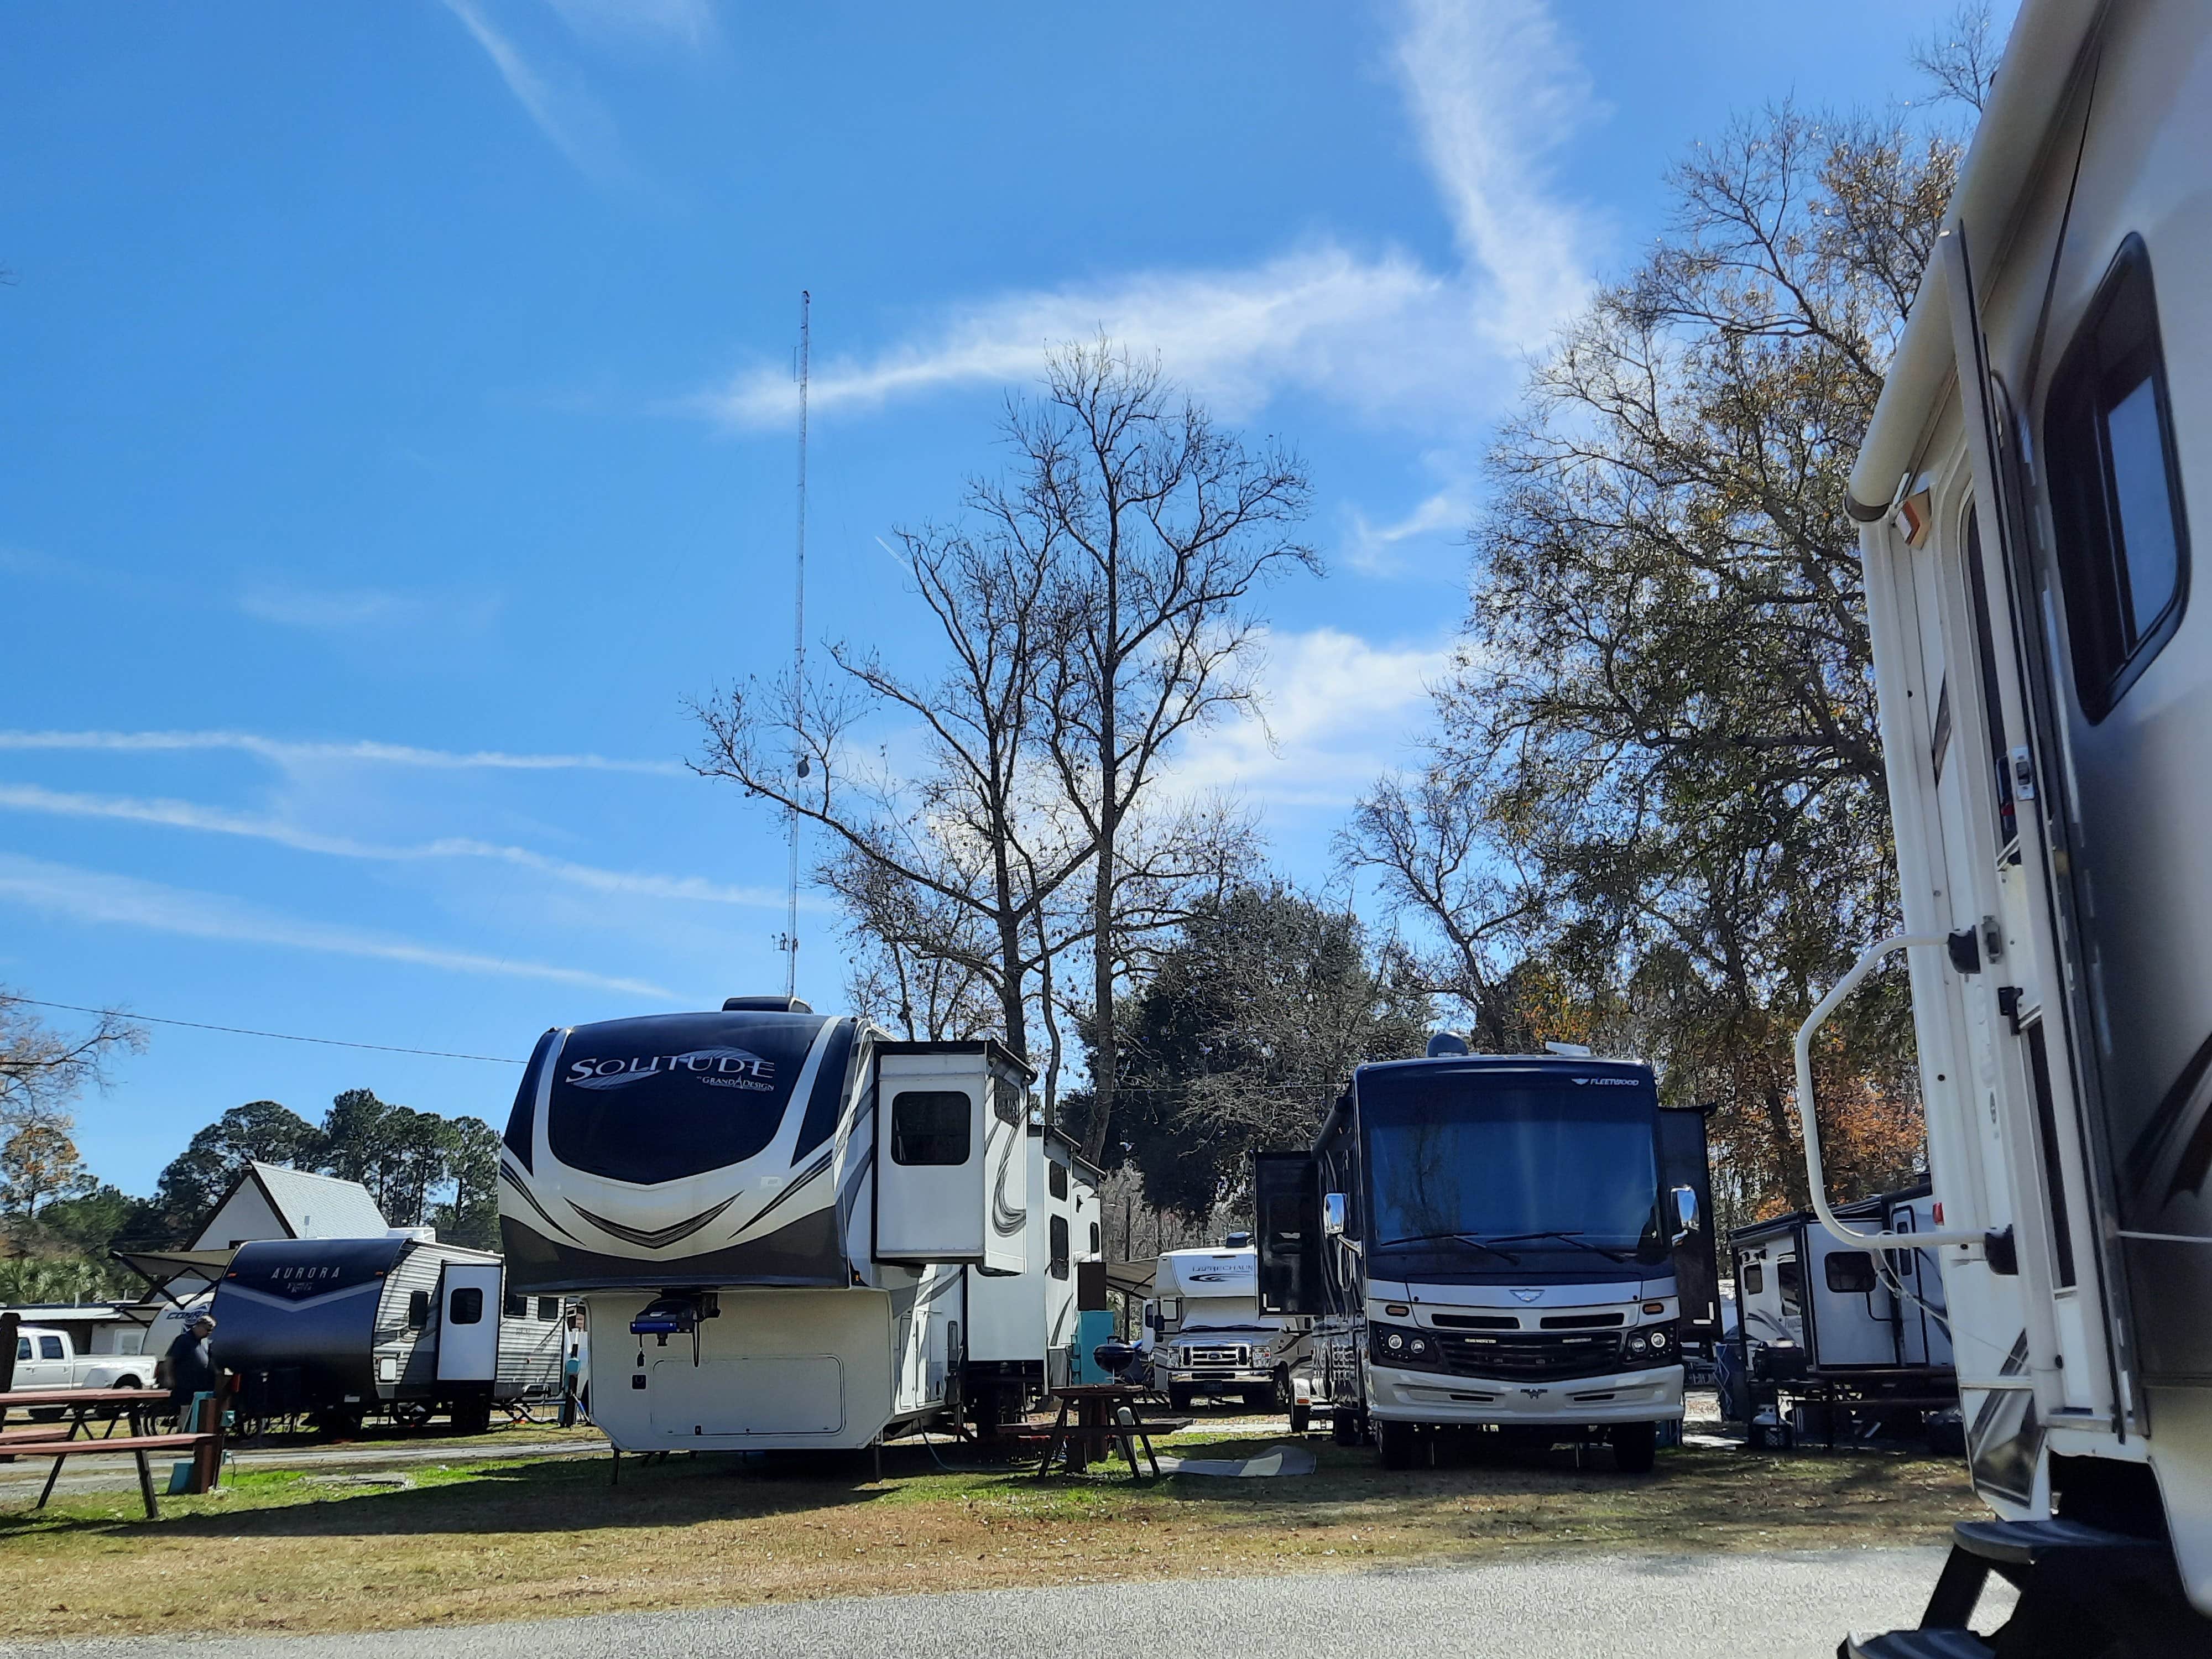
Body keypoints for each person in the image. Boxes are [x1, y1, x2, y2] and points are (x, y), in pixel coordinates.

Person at [163, 1314, 219, 1426]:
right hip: (185, 1385)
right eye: (208, 1330)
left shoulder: (204, 1342)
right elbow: (170, 1359)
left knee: (198, 1414)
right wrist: (169, 1377)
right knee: (186, 1412)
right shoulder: (183, 1340)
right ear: (199, 1326)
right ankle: (182, 1437)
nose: (209, 1333)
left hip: (201, 1385)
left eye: (211, 1331)